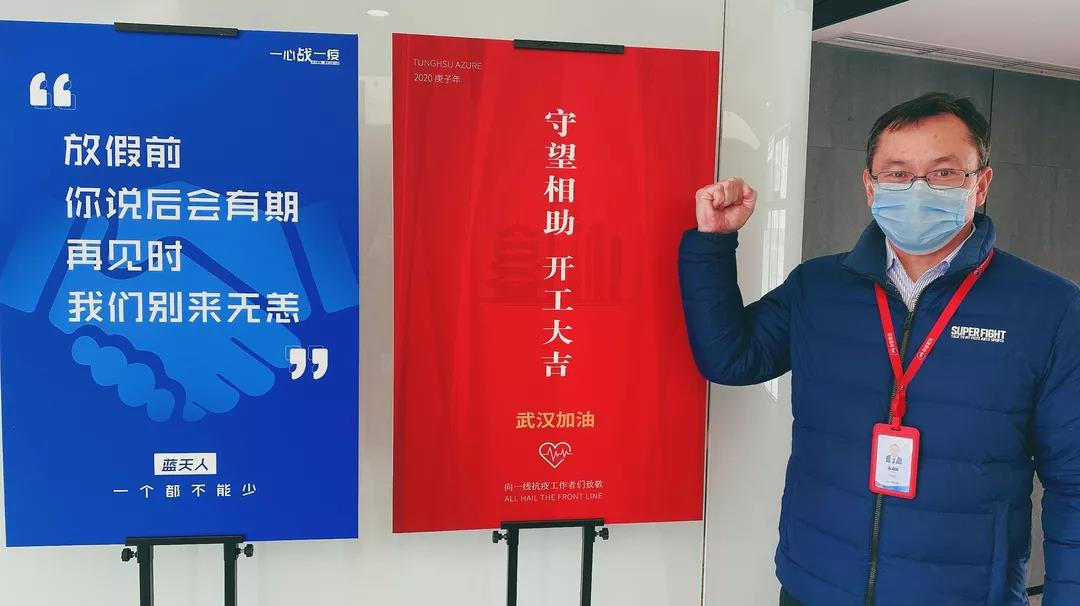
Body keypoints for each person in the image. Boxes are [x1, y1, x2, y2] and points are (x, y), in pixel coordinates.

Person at [678, 92, 1080, 606]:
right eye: (897, 173)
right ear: (870, 186)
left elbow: (1073, 480)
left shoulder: (1049, 308)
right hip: (816, 584)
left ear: (980, 185)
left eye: (943, 173)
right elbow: (731, 357)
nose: (917, 188)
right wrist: (712, 244)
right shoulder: (819, 287)